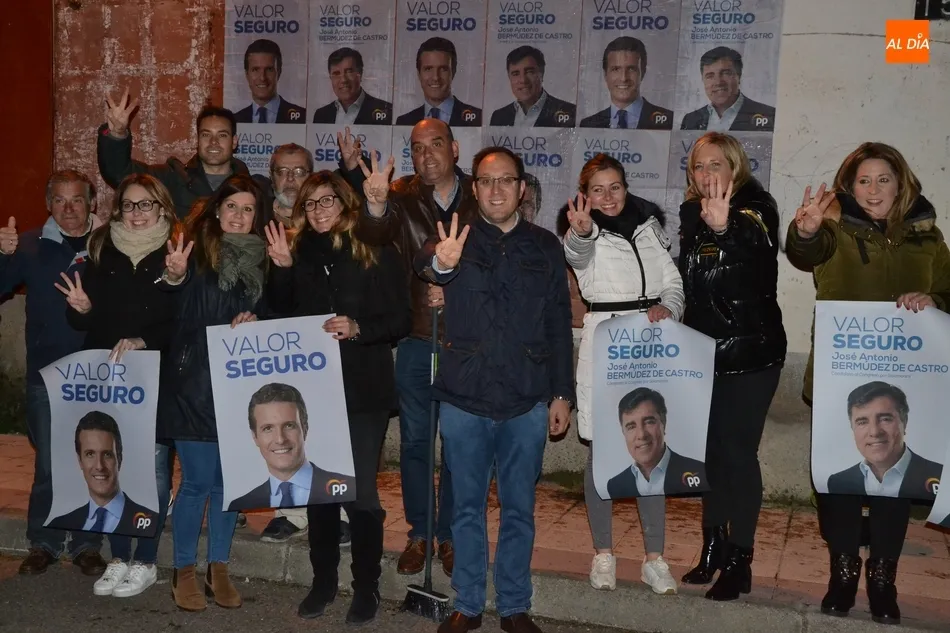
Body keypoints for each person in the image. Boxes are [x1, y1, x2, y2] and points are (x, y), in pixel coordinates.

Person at [785, 142, 950, 625]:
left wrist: (934, 299)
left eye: (883, 179)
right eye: (863, 180)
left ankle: (882, 577)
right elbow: (805, 250)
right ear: (849, 186)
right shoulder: (834, 229)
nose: (873, 189)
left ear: (902, 184)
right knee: (838, 485)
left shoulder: (929, 239)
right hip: (842, 380)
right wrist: (805, 230)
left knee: (893, 485)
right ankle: (841, 573)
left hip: (903, 384)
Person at [414, 146, 574, 633]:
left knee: (519, 508)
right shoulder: (452, 239)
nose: (497, 189)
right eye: (486, 181)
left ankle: (513, 606)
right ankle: (467, 603)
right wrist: (441, 267)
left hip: (526, 399)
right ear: (474, 188)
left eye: (507, 180)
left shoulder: (545, 246)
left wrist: (561, 394)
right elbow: (427, 267)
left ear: (522, 189)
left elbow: (558, 325)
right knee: (464, 506)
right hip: (465, 398)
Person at [265, 169, 411, 623]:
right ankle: (323, 582)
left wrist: (359, 328)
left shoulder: (374, 250)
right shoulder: (297, 252)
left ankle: (365, 588)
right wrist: (283, 269)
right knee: (320, 492)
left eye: (327, 200)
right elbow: (278, 313)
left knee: (361, 494)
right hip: (312, 393)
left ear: (346, 203)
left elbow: (402, 320)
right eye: (311, 204)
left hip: (364, 389)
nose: (320, 210)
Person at [356, 118, 480, 578]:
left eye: (436, 145)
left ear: (455, 147)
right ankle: (420, 531)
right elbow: (375, 232)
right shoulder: (403, 200)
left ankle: (448, 534)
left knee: (458, 444)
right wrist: (373, 203)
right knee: (414, 443)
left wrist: (457, 289)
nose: (427, 155)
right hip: (416, 339)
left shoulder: (481, 193)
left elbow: (494, 262)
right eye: (417, 148)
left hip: (467, 341)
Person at [56, 173, 187, 598]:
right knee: (112, 464)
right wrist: (83, 308)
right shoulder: (101, 248)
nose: (136, 214)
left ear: (163, 209)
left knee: (150, 466)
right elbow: (87, 322)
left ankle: (145, 559)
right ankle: (118, 556)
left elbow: (184, 321)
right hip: (109, 378)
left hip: (157, 376)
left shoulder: (177, 254)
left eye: (145, 204)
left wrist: (146, 336)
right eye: (129, 205)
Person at [559, 153, 684, 595]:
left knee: (651, 448)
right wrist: (579, 231)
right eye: (598, 189)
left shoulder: (650, 229)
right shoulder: (584, 231)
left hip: (651, 343)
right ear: (585, 195)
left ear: (626, 188)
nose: (608, 197)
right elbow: (578, 252)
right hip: (606, 344)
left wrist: (669, 307)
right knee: (604, 455)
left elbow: (673, 280)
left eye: (615, 187)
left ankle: (654, 558)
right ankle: (604, 553)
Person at [677, 132, 786, 601]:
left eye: (716, 164)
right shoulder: (689, 213)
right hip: (703, 354)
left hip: (751, 354)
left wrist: (724, 229)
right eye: (699, 166)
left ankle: (740, 559)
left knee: (738, 455)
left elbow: (756, 253)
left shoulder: (757, 209)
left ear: (736, 166)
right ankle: (712, 548)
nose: (707, 174)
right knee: (710, 456)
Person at [158, 174, 269, 612]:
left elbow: (279, 311)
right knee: (198, 482)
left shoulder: (264, 261)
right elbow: (168, 306)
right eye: (232, 207)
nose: (239, 216)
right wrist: (174, 277)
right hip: (193, 384)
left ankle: (217, 567)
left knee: (229, 485)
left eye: (247, 209)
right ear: (216, 211)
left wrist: (258, 319)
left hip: (240, 387)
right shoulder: (192, 253)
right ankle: (184, 569)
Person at [0, 170, 107, 577]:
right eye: (59, 201)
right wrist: (1, 254)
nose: (69, 209)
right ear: (49, 204)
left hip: (98, 376)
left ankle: (86, 544)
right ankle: (42, 542)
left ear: (91, 202)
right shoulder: (28, 244)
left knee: (94, 460)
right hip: (46, 376)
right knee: (47, 463)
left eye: (77, 199)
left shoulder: (109, 243)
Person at [98, 90, 263, 219]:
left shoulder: (254, 188)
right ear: (197, 140)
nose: (213, 142)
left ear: (234, 141)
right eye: (206, 134)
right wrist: (117, 135)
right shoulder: (173, 178)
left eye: (222, 135)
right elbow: (119, 174)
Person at [228, 383, 352, 511]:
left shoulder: (348, 488)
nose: (280, 439)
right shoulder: (241, 504)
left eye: (289, 426)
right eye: (268, 428)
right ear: (255, 437)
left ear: (305, 429)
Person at [826, 382, 942, 498]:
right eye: (862, 422)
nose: (875, 432)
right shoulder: (838, 482)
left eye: (885, 419)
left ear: (904, 422)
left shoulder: (943, 477)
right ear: (852, 428)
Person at [47, 412, 157, 535]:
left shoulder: (151, 523)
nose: (99, 466)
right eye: (90, 454)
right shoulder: (60, 524)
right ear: (80, 461)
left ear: (119, 458)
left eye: (107, 455)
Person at [604, 388, 707, 498]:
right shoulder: (615, 486)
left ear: (664, 423)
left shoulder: (699, 471)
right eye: (631, 427)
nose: (641, 435)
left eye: (649, 422)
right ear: (623, 432)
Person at [580, 37, 673, 130]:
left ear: (643, 73)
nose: (623, 78)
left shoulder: (669, 121)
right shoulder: (588, 125)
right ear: (605, 75)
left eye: (631, 69)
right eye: (616, 69)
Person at [679, 47, 775, 132]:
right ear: (703, 80)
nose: (718, 82)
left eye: (726, 73)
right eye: (710, 76)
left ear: (739, 76)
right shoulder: (690, 120)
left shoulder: (768, 115)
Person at [395, 37, 483, 127]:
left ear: (453, 72)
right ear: (419, 74)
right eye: (428, 69)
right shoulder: (404, 121)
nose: (436, 77)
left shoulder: (479, 118)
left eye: (443, 69)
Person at [489, 46, 576, 128]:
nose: (523, 80)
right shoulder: (498, 117)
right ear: (509, 78)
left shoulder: (569, 112)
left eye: (529, 72)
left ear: (542, 73)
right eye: (515, 74)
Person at [311, 48, 393, 125]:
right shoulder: (321, 115)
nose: (343, 80)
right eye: (336, 74)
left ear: (360, 73)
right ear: (330, 78)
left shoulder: (386, 111)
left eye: (349, 72)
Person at [234, 39, 306, 124]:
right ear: (247, 75)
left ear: (278, 72)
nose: (262, 78)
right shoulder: (235, 120)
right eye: (255, 69)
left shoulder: (302, 117)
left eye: (269, 69)